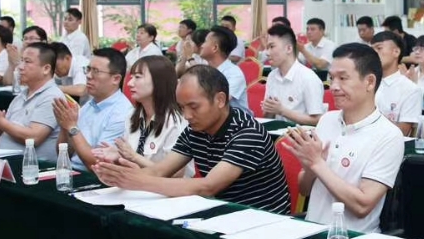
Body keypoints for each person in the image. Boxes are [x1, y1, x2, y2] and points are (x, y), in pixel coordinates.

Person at [93, 65, 290, 212]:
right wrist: (119, 175)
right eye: (182, 107)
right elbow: (160, 170)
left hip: (262, 219)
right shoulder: (195, 129)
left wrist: (137, 181)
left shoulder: (247, 133)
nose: (186, 115)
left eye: (194, 107)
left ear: (220, 100)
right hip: (221, 212)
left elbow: (208, 186)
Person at [286, 44, 405, 233]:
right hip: (311, 232)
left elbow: (362, 206)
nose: (333, 87)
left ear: (370, 82)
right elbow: (304, 189)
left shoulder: (389, 135)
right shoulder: (327, 120)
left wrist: (317, 163)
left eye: (343, 78)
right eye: (331, 78)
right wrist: (310, 166)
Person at [0, 42, 67, 161]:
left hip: (31, 166)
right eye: (21, 60)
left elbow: (34, 138)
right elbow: (2, 137)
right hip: (5, 161)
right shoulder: (21, 96)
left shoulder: (52, 97)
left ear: (46, 69)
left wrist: (0, 121)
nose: (20, 67)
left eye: (27, 62)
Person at [99, 56, 187, 167]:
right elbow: (131, 161)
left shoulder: (174, 122)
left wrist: (134, 157)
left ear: (158, 81)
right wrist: (119, 156)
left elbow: (176, 173)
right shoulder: (133, 116)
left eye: (137, 77)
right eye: (131, 77)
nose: (130, 83)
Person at [53, 48, 132, 171]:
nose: (88, 76)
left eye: (96, 71)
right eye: (88, 69)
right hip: (71, 170)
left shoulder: (122, 113)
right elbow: (63, 154)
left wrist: (72, 127)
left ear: (116, 79)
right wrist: (64, 126)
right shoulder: (89, 106)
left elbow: (98, 164)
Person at [261, 24, 326, 125]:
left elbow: (317, 120)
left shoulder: (308, 78)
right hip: (276, 132)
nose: (267, 53)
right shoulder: (272, 76)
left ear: (289, 48)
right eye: (267, 48)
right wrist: (270, 109)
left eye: (272, 47)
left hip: (301, 133)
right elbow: (268, 117)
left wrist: (282, 110)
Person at [370, 30, 422, 136]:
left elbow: (402, 132)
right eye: (372, 50)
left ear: (396, 52)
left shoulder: (410, 89)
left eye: (379, 48)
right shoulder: (365, 83)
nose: (374, 53)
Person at [195, 25, 247, 111]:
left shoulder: (234, 73)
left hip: (235, 118)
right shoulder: (205, 70)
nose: (201, 46)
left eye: (205, 41)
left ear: (215, 48)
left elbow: (219, 102)